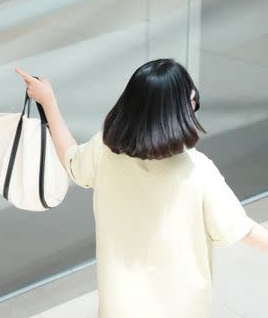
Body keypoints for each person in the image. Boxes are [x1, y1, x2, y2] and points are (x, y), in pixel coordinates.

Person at [15, 58, 268, 318]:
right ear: (181, 113)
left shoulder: (104, 150)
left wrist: (48, 101)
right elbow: (242, 229)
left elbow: (71, 160)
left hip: (119, 308)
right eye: (193, 100)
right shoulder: (197, 170)